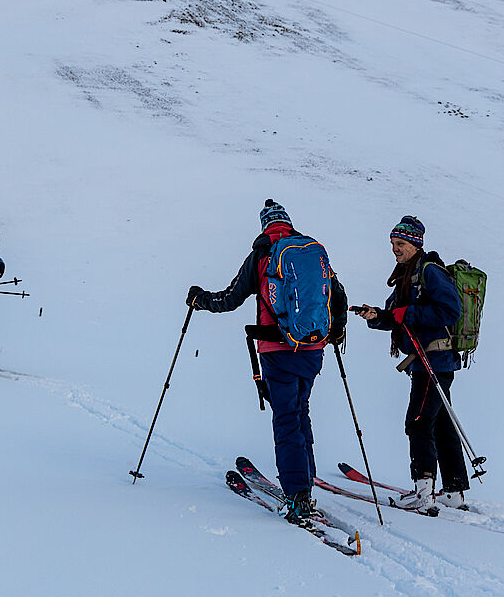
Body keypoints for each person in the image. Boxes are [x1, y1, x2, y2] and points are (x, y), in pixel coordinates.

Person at [186, 200, 346, 525]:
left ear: (265, 225)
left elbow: (230, 298)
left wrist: (199, 299)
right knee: (301, 411)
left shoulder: (262, 254)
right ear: (288, 223)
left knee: (286, 418)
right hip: (313, 349)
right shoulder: (311, 252)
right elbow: (338, 295)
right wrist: (335, 331)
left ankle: (298, 495)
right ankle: (306, 481)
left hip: (276, 350)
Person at [355, 215, 469, 514]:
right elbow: (397, 315)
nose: (395, 249)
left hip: (434, 360)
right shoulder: (408, 275)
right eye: (393, 243)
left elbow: (450, 310)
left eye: (401, 244)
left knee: (417, 423)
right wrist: (375, 316)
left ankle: (423, 493)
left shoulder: (429, 273)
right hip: (427, 361)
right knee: (440, 423)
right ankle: (453, 491)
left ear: (416, 244)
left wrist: (409, 314)